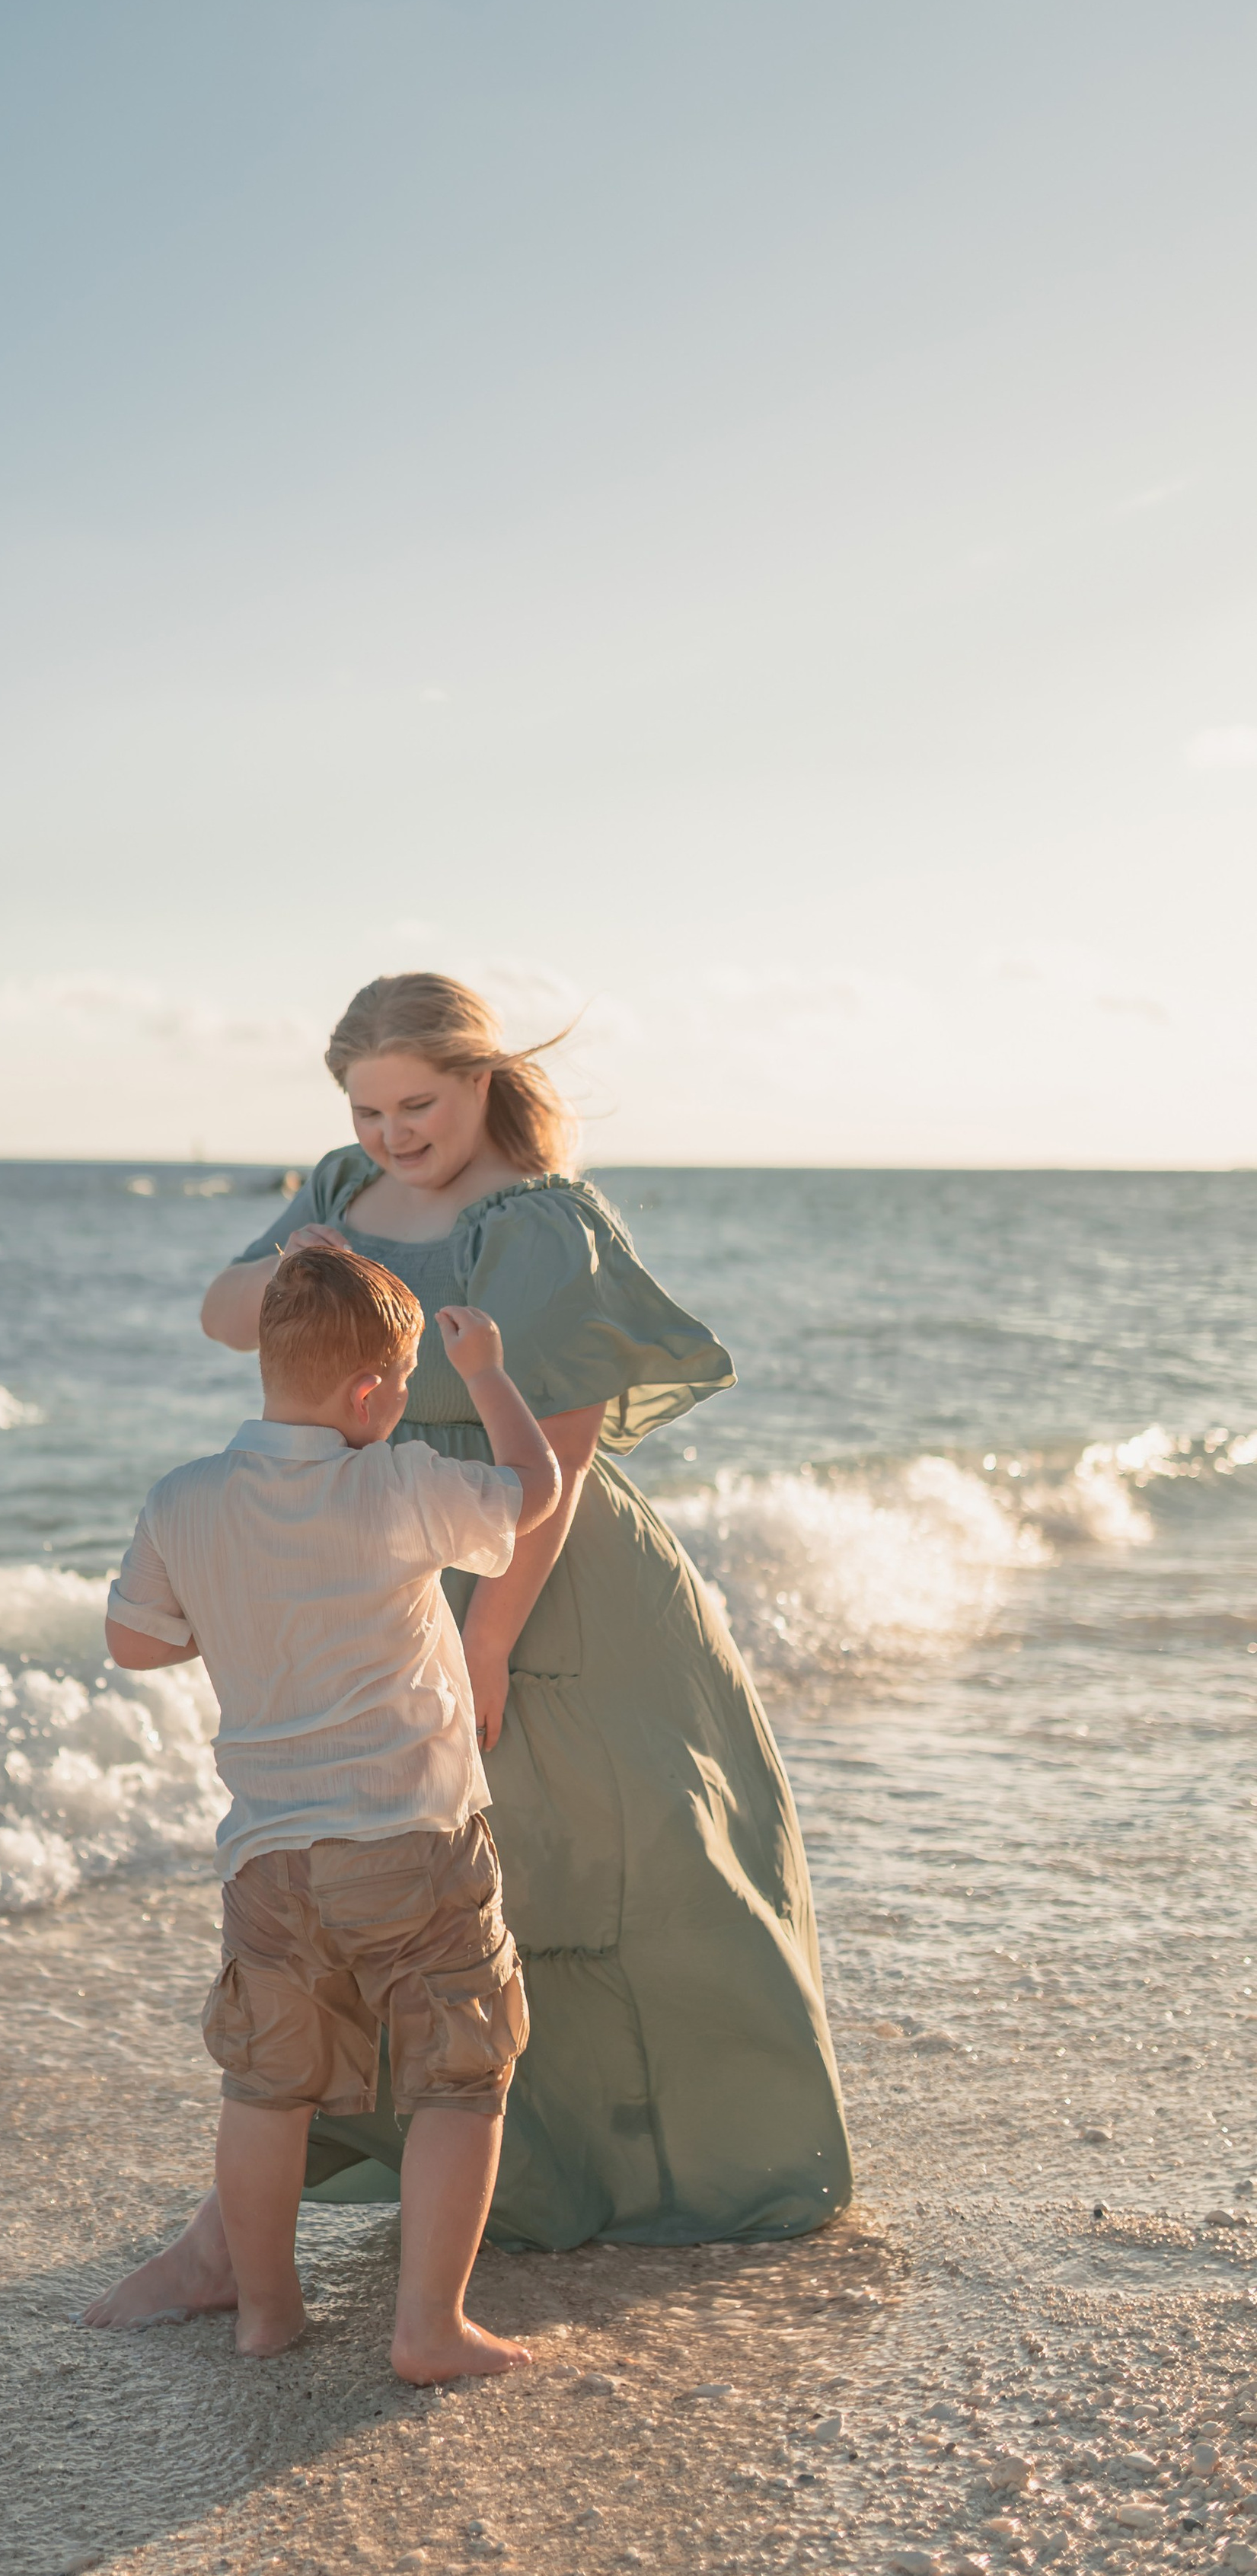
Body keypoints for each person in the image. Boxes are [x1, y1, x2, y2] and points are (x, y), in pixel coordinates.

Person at [85, 970, 851, 2334]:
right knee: (361, 1899)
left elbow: (560, 1449)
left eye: (415, 1103)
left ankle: (576, 2182)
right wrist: (328, 1251)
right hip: (365, 1562)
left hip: (531, 1572)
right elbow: (222, 1313)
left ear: (483, 1078)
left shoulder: (544, 1224)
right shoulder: (336, 1187)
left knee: (553, 1883)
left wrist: (488, 1642)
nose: (389, 1132)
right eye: (367, 1107)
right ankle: (232, 2244)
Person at [102, 1240, 561, 2379]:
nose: (404, 1402)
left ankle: (264, 2312)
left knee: (267, 2090)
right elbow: (535, 1495)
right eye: (401, 1384)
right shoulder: (395, 1480)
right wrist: (493, 1376)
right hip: (416, 1844)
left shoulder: (186, 1500)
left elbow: (132, 1641)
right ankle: (428, 2328)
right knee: (461, 2077)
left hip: (269, 1861)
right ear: (370, 1394)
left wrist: (236, 1609)